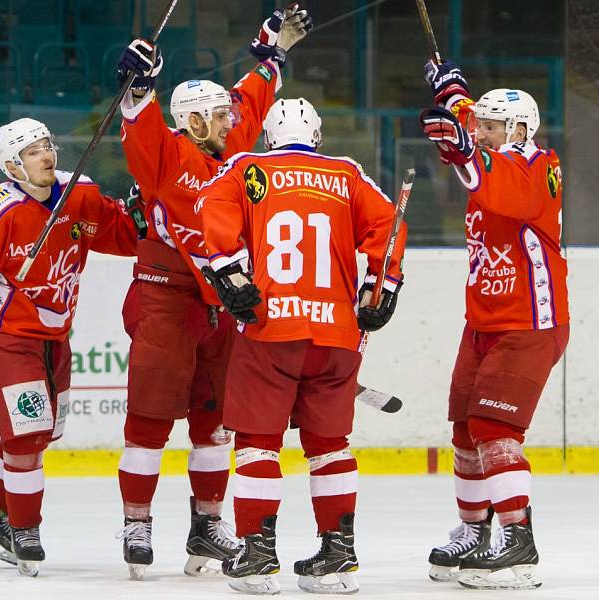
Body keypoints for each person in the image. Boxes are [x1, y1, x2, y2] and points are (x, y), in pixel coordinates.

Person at [111, 5, 313, 580]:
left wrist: (272, 52)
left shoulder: (235, 144)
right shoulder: (166, 155)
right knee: (150, 419)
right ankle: (137, 521)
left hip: (222, 307)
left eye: (227, 115)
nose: (231, 122)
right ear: (193, 122)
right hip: (165, 301)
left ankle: (206, 522)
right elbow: (138, 120)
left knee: (216, 422)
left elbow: (254, 96)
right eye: (217, 117)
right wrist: (137, 87)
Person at [0, 117, 139, 576]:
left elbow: (125, 235)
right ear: (13, 166)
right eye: (32, 152)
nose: (46, 156)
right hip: (4, 335)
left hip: (54, 335)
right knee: (28, 433)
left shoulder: (80, 195)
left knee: (46, 431)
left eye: (47, 146)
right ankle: (24, 527)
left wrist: (144, 212)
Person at [198, 98, 407, 595]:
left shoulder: (247, 168)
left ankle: (257, 552)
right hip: (337, 334)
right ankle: (338, 555)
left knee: (257, 442)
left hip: (272, 329)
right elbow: (390, 228)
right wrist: (381, 288)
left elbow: (211, 207)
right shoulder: (347, 173)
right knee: (330, 445)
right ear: (317, 135)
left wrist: (230, 271)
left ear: (268, 136)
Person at [419, 60, 569, 590]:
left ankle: (518, 540)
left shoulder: (538, 165)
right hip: (482, 323)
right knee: (464, 428)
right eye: (479, 126)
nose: (481, 132)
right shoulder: (492, 143)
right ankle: (473, 531)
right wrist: (452, 89)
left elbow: (500, 184)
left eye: (491, 127)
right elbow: (469, 130)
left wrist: (462, 146)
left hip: (529, 322)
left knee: (495, 429)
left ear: (520, 130)